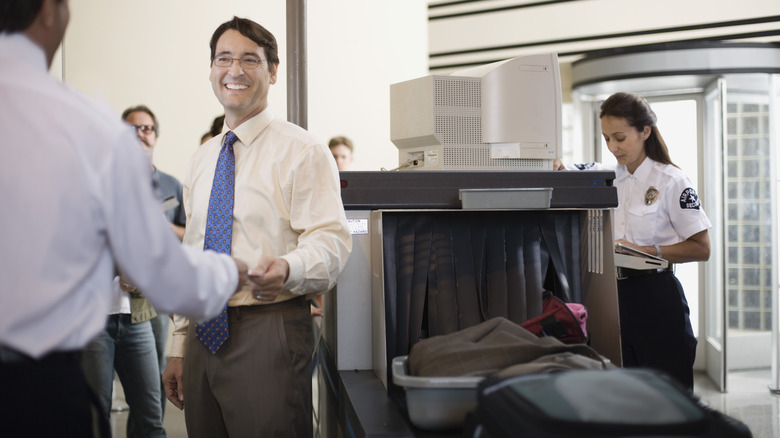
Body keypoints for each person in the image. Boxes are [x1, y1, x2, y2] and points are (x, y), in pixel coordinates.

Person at [0, 1, 254, 436]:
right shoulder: (86, 128)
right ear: (49, 12)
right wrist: (230, 270)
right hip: (34, 386)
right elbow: (161, 270)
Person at [162, 16, 352, 438]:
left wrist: (287, 268)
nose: (234, 70)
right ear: (211, 70)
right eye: (224, 58)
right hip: (201, 332)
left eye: (250, 59)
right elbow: (192, 255)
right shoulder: (202, 158)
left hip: (267, 329)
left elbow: (332, 241)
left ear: (272, 71)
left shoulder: (303, 151)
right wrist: (178, 347)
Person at [555, 92, 711, 390]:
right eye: (606, 139)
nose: (613, 147)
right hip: (614, 297)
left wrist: (649, 250)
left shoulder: (672, 180)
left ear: (645, 131)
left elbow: (702, 248)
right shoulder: (609, 177)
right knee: (625, 393)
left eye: (620, 137)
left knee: (668, 393)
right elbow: (565, 172)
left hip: (656, 295)